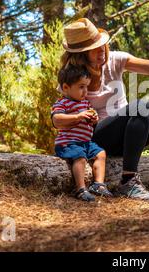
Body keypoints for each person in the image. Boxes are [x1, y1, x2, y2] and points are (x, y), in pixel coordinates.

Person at [53, 18, 149, 202]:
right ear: (82, 54)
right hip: (93, 139)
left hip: (130, 136)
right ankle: (128, 182)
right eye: (94, 49)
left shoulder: (114, 60)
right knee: (142, 106)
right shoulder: (72, 75)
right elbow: (63, 111)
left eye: (102, 45)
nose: (101, 51)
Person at [52, 64, 113, 202]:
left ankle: (98, 184)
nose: (85, 91)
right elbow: (57, 119)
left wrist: (93, 119)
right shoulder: (63, 103)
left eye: (87, 87)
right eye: (81, 87)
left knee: (101, 154)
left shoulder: (85, 104)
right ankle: (80, 189)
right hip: (68, 143)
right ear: (66, 87)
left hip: (86, 142)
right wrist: (78, 116)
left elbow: (90, 121)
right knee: (80, 157)